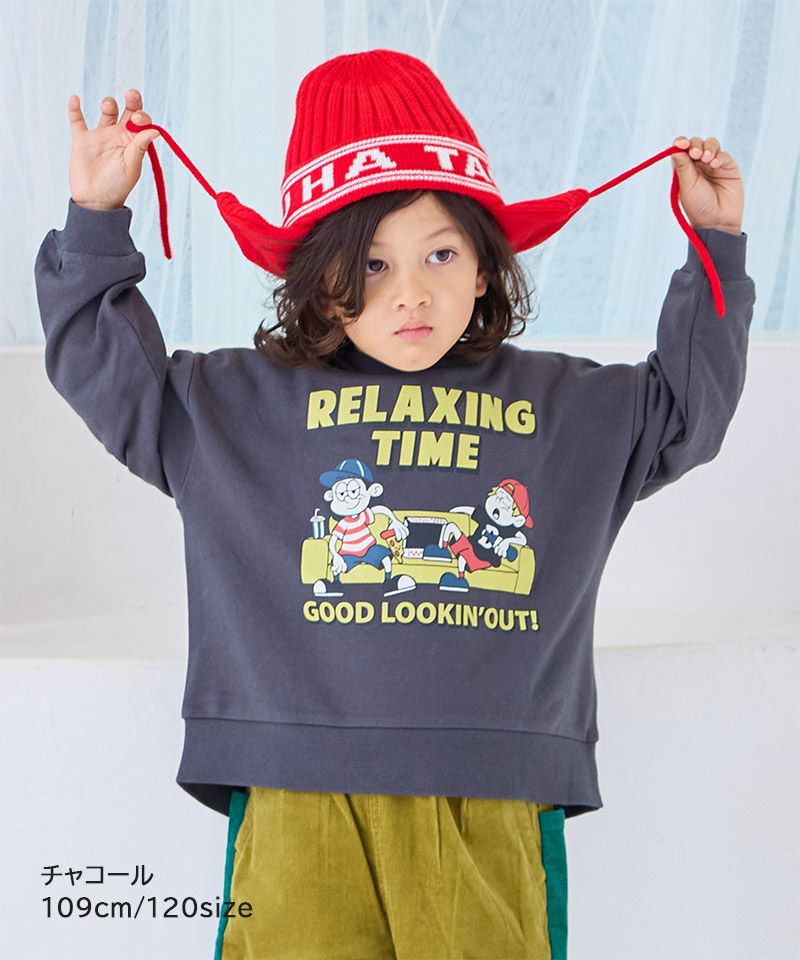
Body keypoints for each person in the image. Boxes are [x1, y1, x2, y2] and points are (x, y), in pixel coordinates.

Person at [35, 48, 754, 960]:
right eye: (370, 265)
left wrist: (713, 242)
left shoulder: (566, 408)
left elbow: (687, 410)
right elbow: (107, 374)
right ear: (319, 280)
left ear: (486, 267)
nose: (411, 292)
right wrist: (96, 220)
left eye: (440, 254)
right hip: (295, 790)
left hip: (491, 791)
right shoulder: (237, 405)